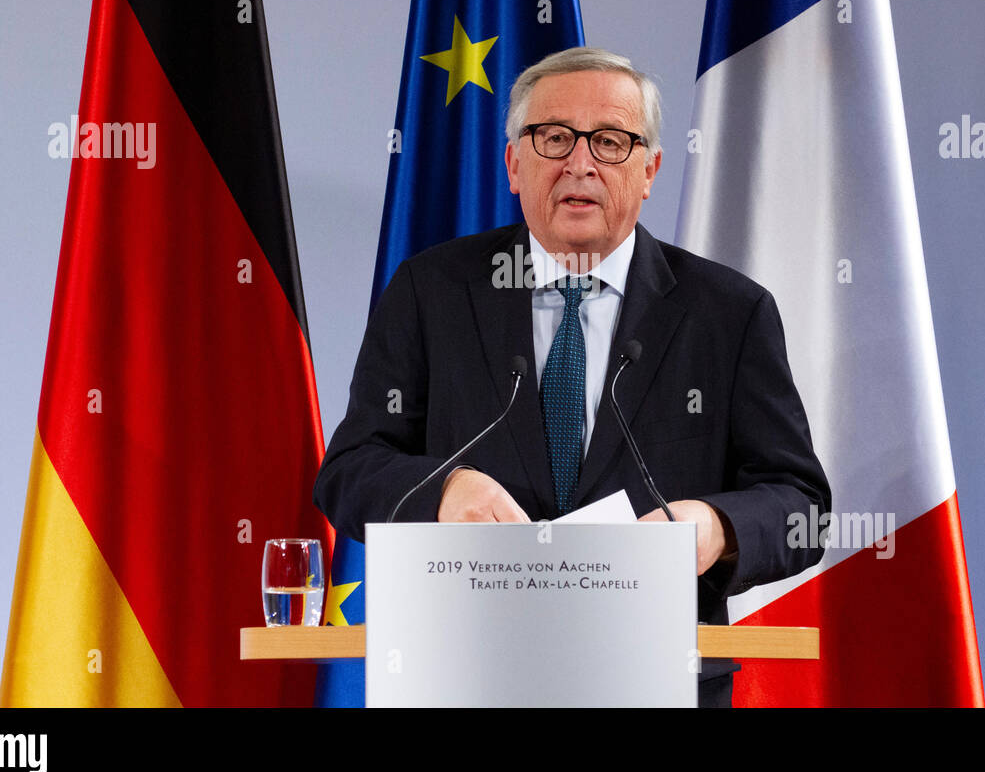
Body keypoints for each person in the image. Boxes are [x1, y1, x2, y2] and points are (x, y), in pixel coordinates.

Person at [314, 47, 829, 706]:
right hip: (468, 674)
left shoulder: (727, 312)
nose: (579, 163)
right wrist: (444, 490)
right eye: (554, 137)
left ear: (650, 171)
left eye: (611, 142)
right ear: (513, 164)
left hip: (656, 677)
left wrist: (712, 527)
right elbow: (349, 471)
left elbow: (799, 503)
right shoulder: (432, 291)